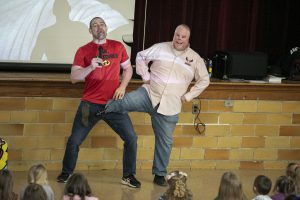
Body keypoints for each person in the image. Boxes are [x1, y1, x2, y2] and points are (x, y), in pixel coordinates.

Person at [105, 24, 210, 186]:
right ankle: (99, 110)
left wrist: (189, 96)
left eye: (183, 37)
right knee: (123, 102)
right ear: (173, 35)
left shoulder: (195, 58)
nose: (179, 39)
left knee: (165, 142)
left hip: (171, 106)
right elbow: (140, 56)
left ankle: (159, 174)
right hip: (148, 94)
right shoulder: (160, 47)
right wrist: (145, 75)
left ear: (188, 39)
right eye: (177, 35)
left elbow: (205, 80)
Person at [56, 16, 140, 188]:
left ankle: (128, 175)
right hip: (90, 104)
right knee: (74, 140)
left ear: (106, 27)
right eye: (95, 25)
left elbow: (128, 68)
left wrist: (122, 87)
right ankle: (67, 173)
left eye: (101, 24)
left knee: (131, 137)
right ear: (90, 31)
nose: (99, 27)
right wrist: (90, 67)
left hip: (114, 104)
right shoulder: (83, 51)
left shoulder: (117, 46)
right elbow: (74, 78)